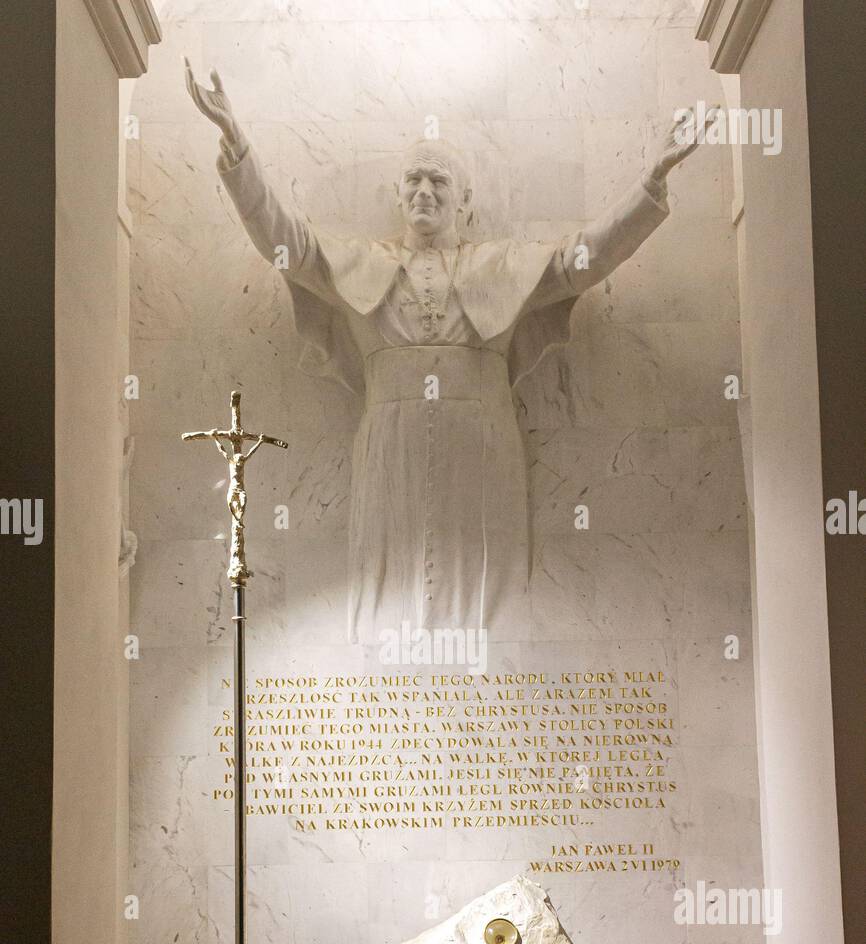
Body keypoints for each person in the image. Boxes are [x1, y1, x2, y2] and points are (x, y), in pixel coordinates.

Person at [185, 62, 708, 645]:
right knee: (387, 589)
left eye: (439, 181)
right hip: (390, 435)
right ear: (397, 193)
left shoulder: (502, 265)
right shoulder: (361, 262)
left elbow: (584, 259)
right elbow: (286, 242)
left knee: (489, 590)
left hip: (481, 436)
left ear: (464, 199)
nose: (424, 191)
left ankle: (495, 673)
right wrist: (237, 147)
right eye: (413, 180)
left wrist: (651, 182)